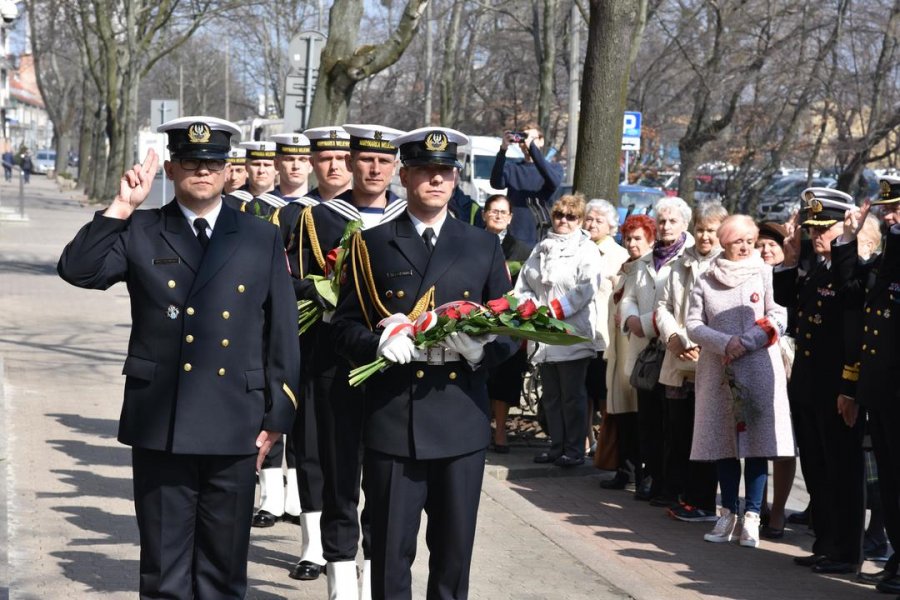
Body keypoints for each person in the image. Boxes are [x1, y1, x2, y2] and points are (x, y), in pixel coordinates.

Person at [56, 116, 300, 597]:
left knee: (224, 570)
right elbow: (78, 270)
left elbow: (282, 332)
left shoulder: (259, 235)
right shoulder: (143, 228)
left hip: (236, 419)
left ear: (229, 170)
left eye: (212, 162)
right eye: (190, 162)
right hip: (163, 419)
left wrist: (279, 412)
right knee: (164, 570)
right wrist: (122, 207)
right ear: (170, 168)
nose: (202, 171)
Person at [332, 126, 516, 600]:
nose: (436, 181)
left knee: (454, 554)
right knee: (390, 552)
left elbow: (512, 333)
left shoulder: (481, 245)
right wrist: (377, 343)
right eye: (425, 172)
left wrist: (482, 351)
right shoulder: (372, 244)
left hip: (459, 416)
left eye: (445, 172)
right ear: (405, 175)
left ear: (456, 180)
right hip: (395, 418)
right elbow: (344, 328)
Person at [294, 123, 407, 596]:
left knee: (386, 488)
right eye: (366, 159)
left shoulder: (408, 218)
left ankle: (372, 577)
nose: (374, 168)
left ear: (396, 167)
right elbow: (293, 281)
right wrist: (324, 294)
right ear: (351, 162)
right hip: (334, 361)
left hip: (397, 371)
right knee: (337, 474)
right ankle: (339, 580)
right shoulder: (318, 219)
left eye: (384, 160)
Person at [686, 214, 794, 548]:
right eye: (738, 242)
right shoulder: (704, 277)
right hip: (718, 369)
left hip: (758, 364)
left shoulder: (764, 273)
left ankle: (752, 517)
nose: (746, 247)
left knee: (757, 444)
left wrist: (746, 341)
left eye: (750, 240)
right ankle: (727, 514)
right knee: (724, 444)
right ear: (724, 243)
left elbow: (778, 315)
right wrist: (723, 343)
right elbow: (692, 323)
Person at [774, 188, 867, 573]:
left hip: (834, 389)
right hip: (809, 388)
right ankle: (826, 542)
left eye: (823, 229)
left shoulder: (851, 268)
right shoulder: (817, 269)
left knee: (841, 471)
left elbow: (853, 312)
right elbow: (787, 303)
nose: (816, 236)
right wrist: (791, 258)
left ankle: (846, 551)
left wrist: (849, 387)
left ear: (843, 228)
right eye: (812, 229)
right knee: (816, 468)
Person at [838, 176, 900, 592]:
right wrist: (846, 239)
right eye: (886, 210)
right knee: (892, 481)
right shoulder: (887, 256)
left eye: (896, 209)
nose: (890, 216)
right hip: (882, 392)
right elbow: (850, 293)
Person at [515, 193, 603, 467]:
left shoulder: (586, 249)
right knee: (550, 396)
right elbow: (524, 284)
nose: (563, 220)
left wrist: (553, 310)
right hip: (543, 331)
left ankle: (574, 450)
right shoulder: (542, 246)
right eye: (559, 215)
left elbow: (586, 288)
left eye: (571, 216)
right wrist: (529, 308)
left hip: (570, 331)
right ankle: (555, 446)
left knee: (572, 396)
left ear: (579, 220)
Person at [656, 202, 728, 522]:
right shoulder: (677, 264)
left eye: (712, 230)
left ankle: (702, 500)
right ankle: (680, 493)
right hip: (678, 360)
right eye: (700, 229)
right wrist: (673, 337)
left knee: (707, 435)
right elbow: (662, 306)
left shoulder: (727, 267)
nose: (704, 236)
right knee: (679, 429)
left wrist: (702, 343)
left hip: (712, 362)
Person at [620, 196, 694, 503]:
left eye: (672, 221)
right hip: (647, 351)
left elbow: (682, 307)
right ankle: (652, 479)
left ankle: (671, 485)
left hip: (677, 348)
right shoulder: (645, 260)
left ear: (684, 224)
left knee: (673, 422)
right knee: (648, 419)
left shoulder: (689, 258)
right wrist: (631, 317)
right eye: (662, 221)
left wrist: (649, 324)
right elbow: (628, 296)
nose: (666, 226)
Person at [600, 215, 655, 490]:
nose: (632, 243)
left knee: (641, 416)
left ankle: (643, 473)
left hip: (638, 351)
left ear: (650, 241)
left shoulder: (650, 269)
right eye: (629, 238)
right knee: (623, 414)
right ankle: (625, 469)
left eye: (638, 239)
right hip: (619, 349)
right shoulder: (626, 268)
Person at [753, 221, 797, 540]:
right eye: (761, 245)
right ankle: (759, 505)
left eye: (773, 245)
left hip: (788, 366)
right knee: (757, 438)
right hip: (754, 362)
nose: (766, 251)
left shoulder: (792, 277)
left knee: (783, 442)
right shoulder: (749, 275)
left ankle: (779, 510)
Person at [482, 193, 533, 452]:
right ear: (484, 215)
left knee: (505, 378)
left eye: (503, 212)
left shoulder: (523, 250)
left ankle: (500, 431)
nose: (498, 215)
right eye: (494, 211)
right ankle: (480, 430)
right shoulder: (472, 242)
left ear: (511, 217)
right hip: (478, 320)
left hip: (508, 323)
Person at [583, 199, 629, 456]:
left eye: (599, 220)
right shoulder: (578, 249)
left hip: (604, 334)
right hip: (579, 333)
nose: (592, 224)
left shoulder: (619, 255)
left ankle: (606, 445)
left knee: (603, 392)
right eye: (589, 219)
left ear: (611, 226)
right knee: (583, 392)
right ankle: (585, 440)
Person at [489, 125, 563, 245]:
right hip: (515, 237)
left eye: (532, 138)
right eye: (524, 138)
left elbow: (553, 182)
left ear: (541, 141)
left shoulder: (555, 168)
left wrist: (533, 148)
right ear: (519, 142)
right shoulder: (513, 168)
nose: (527, 143)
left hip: (543, 236)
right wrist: (503, 149)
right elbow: (496, 183)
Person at [238, 140, 284, 218]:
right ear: (246, 167)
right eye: (256, 164)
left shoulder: (284, 206)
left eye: (267, 165)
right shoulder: (231, 202)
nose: (261, 170)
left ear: (277, 167)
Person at [271, 132, 313, 201]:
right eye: (289, 159)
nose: (296, 166)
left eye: (302, 160)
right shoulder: (262, 205)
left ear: (311, 164)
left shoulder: (321, 206)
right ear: (276, 164)